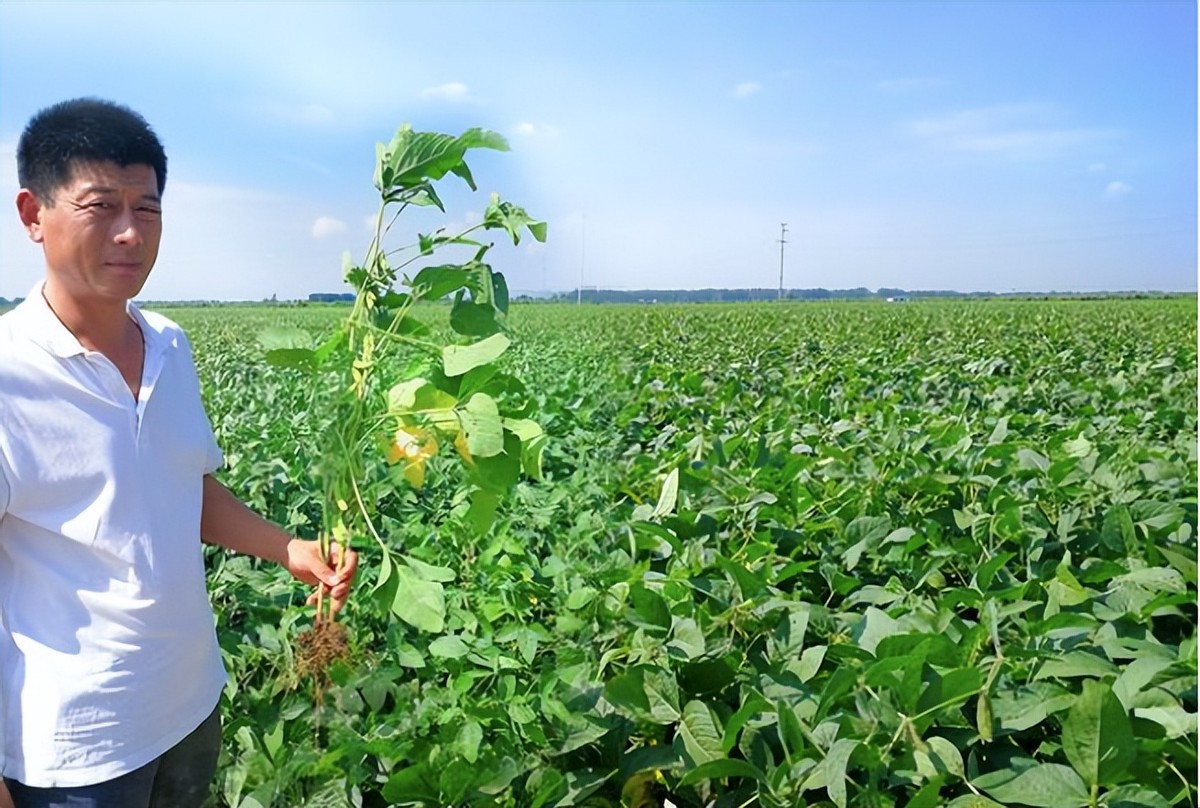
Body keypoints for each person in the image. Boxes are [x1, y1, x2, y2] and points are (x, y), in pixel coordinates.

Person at [0, 98, 358, 808]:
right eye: (101, 206)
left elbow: (184, 487)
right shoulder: (9, 376)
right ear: (33, 214)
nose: (131, 233)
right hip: (78, 750)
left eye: (149, 209)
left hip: (191, 703)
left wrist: (286, 547)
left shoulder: (168, 344)